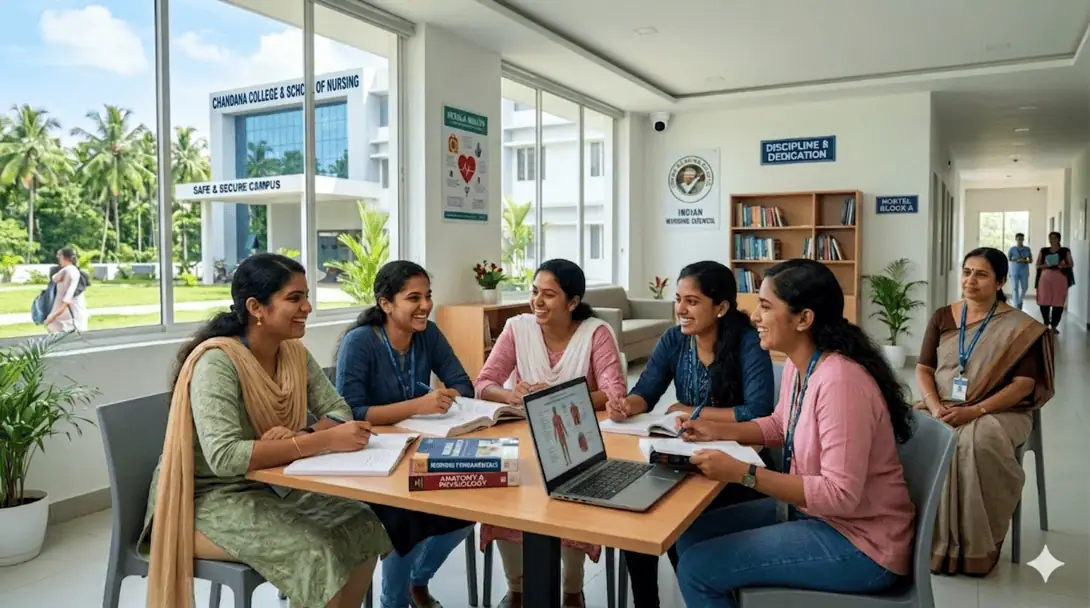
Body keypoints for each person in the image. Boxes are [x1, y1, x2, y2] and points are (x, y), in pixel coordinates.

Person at [141, 253, 392, 608]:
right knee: (318, 549)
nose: (307, 307)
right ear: (256, 307)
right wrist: (318, 441)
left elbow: (338, 410)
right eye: (295, 298)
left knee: (362, 521)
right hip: (203, 500)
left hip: (270, 483)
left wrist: (301, 436)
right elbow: (225, 457)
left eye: (306, 296)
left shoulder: (293, 352)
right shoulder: (217, 363)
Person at [672, 259, 915, 607]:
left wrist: (744, 474)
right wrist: (718, 430)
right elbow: (780, 425)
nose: (754, 316)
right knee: (691, 533)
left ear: (803, 319)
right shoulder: (799, 367)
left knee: (698, 567)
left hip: (861, 542)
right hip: (816, 515)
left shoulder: (840, 382)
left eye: (766, 306)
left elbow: (839, 494)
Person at [603, 261, 776, 608]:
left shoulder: (747, 342)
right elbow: (647, 392)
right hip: (686, 455)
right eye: (678, 299)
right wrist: (626, 405)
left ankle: (697, 593)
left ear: (722, 307)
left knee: (676, 520)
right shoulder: (674, 340)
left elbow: (757, 411)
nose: (680, 309)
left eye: (692, 301)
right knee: (635, 515)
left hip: (737, 465)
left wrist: (690, 411)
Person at [474, 258, 627, 608]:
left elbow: (614, 393)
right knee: (507, 499)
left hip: (577, 446)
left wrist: (559, 401)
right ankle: (518, 587)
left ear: (572, 302)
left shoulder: (595, 333)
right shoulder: (517, 328)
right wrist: (510, 394)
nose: (537, 302)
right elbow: (484, 384)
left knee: (571, 506)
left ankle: (572, 589)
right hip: (525, 443)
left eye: (549, 294)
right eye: (534, 292)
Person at [335, 260, 475, 608]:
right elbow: (350, 412)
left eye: (428, 296)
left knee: (467, 509)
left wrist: (443, 399)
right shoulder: (359, 343)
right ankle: (393, 600)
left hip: (422, 449)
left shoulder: (428, 334)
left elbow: (463, 385)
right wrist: (418, 405)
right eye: (414, 298)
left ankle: (418, 580)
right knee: (405, 518)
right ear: (386, 303)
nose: (425, 305)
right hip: (372, 459)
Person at [916, 247, 1054, 576]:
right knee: (905, 432)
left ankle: (978, 546)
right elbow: (923, 368)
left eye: (981, 274)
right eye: (966, 272)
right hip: (944, 405)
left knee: (974, 443)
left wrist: (975, 410)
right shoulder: (943, 316)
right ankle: (920, 539)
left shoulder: (1021, 328)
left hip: (1000, 410)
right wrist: (935, 407)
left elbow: (1022, 385)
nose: (970, 280)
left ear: (1001, 280)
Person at [1035, 231, 1074, 333]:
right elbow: (1038, 265)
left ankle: (1054, 326)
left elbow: (1071, 264)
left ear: (1059, 239)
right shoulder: (1044, 251)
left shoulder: (1065, 251)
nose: (1052, 240)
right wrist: (1046, 265)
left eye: (1055, 238)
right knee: (1044, 301)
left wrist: (1063, 265)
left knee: (1058, 302)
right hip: (1045, 278)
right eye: (1051, 238)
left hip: (1060, 278)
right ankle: (1046, 323)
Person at [45, 247, 89, 333]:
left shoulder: (70, 271)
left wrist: (52, 317)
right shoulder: (68, 270)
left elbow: (67, 299)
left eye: (59, 256)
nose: (58, 259)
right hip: (67, 315)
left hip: (70, 316)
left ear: (64, 257)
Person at [1007, 233, 1032, 309]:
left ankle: (1020, 300)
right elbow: (1009, 259)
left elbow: (1030, 260)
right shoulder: (1012, 249)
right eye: (1019, 239)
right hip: (1014, 269)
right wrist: (1014, 259)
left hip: (1024, 270)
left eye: (1021, 239)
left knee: (1025, 287)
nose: (1020, 240)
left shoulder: (1027, 249)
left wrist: (1024, 260)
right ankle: (1016, 304)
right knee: (1015, 287)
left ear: (1023, 239)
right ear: (1016, 239)